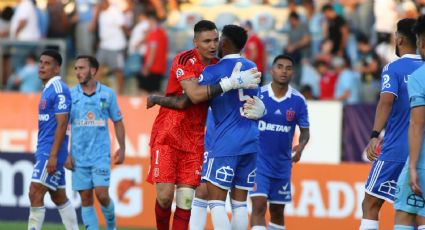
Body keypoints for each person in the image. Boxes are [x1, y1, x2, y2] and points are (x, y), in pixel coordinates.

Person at [146, 20, 260, 230]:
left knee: (186, 199)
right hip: (169, 132)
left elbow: (242, 99)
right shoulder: (184, 59)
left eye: (215, 40)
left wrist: (262, 109)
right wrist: (232, 82)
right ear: (195, 42)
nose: (212, 45)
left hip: (196, 137)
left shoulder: (218, 66)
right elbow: (193, 97)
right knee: (164, 197)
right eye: (206, 41)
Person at [199, 24, 265, 230]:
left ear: (224, 43)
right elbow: (257, 102)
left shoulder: (213, 70)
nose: (215, 44)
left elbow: (194, 97)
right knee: (239, 204)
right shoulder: (252, 66)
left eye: (217, 40)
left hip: (226, 142)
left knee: (216, 201)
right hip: (251, 140)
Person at [360, 18, 423, 230]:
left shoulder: (394, 68)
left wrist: (374, 135)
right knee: (416, 211)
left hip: (396, 150)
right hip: (421, 153)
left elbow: (386, 101)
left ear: (400, 39)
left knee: (370, 203)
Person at [65, 55, 126, 230]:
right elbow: (63, 126)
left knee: (102, 195)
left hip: (100, 154)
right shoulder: (71, 95)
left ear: (93, 71)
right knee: (85, 198)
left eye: (81, 68)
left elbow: (118, 121)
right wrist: (65, 153)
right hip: (78, 157)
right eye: (76, 68)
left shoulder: (107, 94)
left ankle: (111, 226)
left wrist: (122, 148)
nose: (77, 72)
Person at [250, 54, 310, 230]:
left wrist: (302, 146)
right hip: (258, 163)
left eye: (288, 68)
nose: (284, 71)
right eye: (280, 66)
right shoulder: (258, 94)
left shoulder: (298, 101)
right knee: (259, 206)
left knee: (277, 211)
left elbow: (305, 131)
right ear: (272, 70)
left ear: (293, 73)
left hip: (282, 165)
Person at [28, 50, 79, 230]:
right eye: (40, 62)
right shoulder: (48, 89)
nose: (41, 66)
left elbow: (63, 123)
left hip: (50, 151)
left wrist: (54, 155)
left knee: (35, 192)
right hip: (47, 148)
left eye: (47, 63)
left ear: (57, 68)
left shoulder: (59, 89)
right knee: (58, 197)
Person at [393, 15, 425, 229]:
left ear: (421, 42)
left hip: (423, 162)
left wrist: (413, 166)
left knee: (405, 213)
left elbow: (417, 124)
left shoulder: (419, 77)